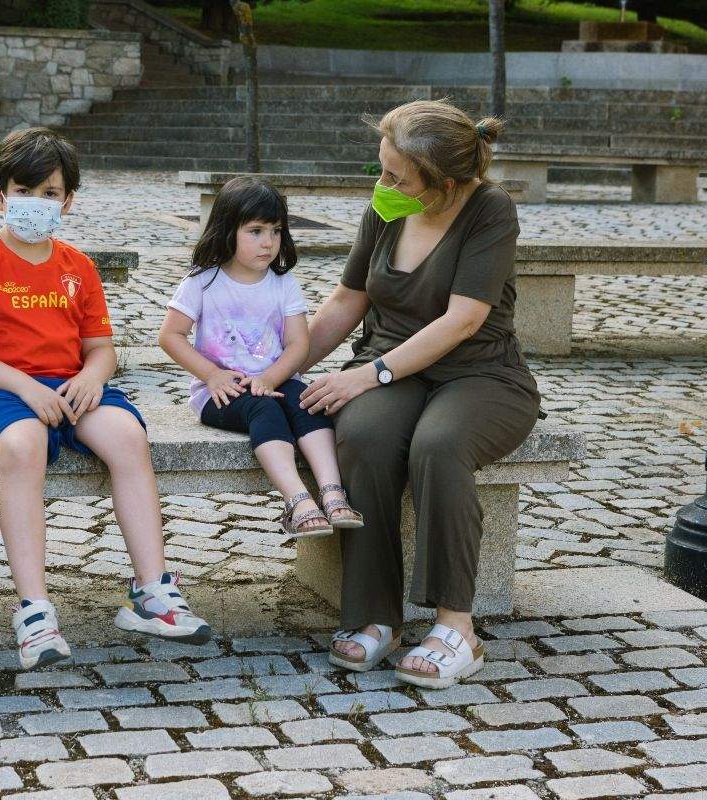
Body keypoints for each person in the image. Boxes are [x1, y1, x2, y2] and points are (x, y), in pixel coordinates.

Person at [0, 127, 210, 670]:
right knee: (22, 444)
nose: (36, 203)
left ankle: (151, 590)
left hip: (72, 386)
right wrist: (25, 387)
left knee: (129, 436)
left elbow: (101, 350)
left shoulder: (77, 267)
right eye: (24, 191)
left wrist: (91, 376)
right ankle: (35, 611)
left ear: (68, 201)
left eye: (50, 194)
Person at [298, 101, 541, 687]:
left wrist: (368, 374)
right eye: (381, 170)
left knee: (439, 445)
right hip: (390, 368)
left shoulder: (490, 211)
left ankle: (456, 627)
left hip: (480, 375)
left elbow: (463, 319)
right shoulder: (386, 208)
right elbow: (346, 301)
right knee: (363, 436)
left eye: (396, 177)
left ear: (448, 185)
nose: (382, 185)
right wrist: (275, 370)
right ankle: (374, 618)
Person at [159, 177, 363, 538]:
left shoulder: (282, 283)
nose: (268, 242)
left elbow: (298, 345)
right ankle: (298, 499)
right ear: (226, 230)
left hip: (275, 381)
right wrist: (211, 374)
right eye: (255, 231)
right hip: (222, 393)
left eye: (275, 231)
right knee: (263, 409)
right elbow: (170, 336)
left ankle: (333, 493)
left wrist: (270, 378)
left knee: (307, 403)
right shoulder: (203, 281)